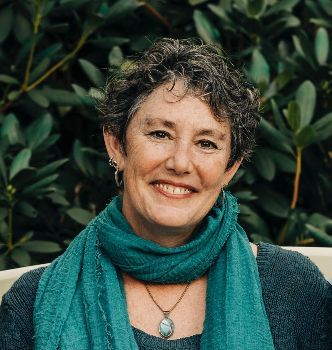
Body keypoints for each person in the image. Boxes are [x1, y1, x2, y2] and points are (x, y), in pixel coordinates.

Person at [0, 38, 331, 350]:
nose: (180, 163)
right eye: (160, 133)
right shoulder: (32, 304)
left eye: (206, 143)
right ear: (116, 144)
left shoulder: (295, 290)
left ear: (230, 168)